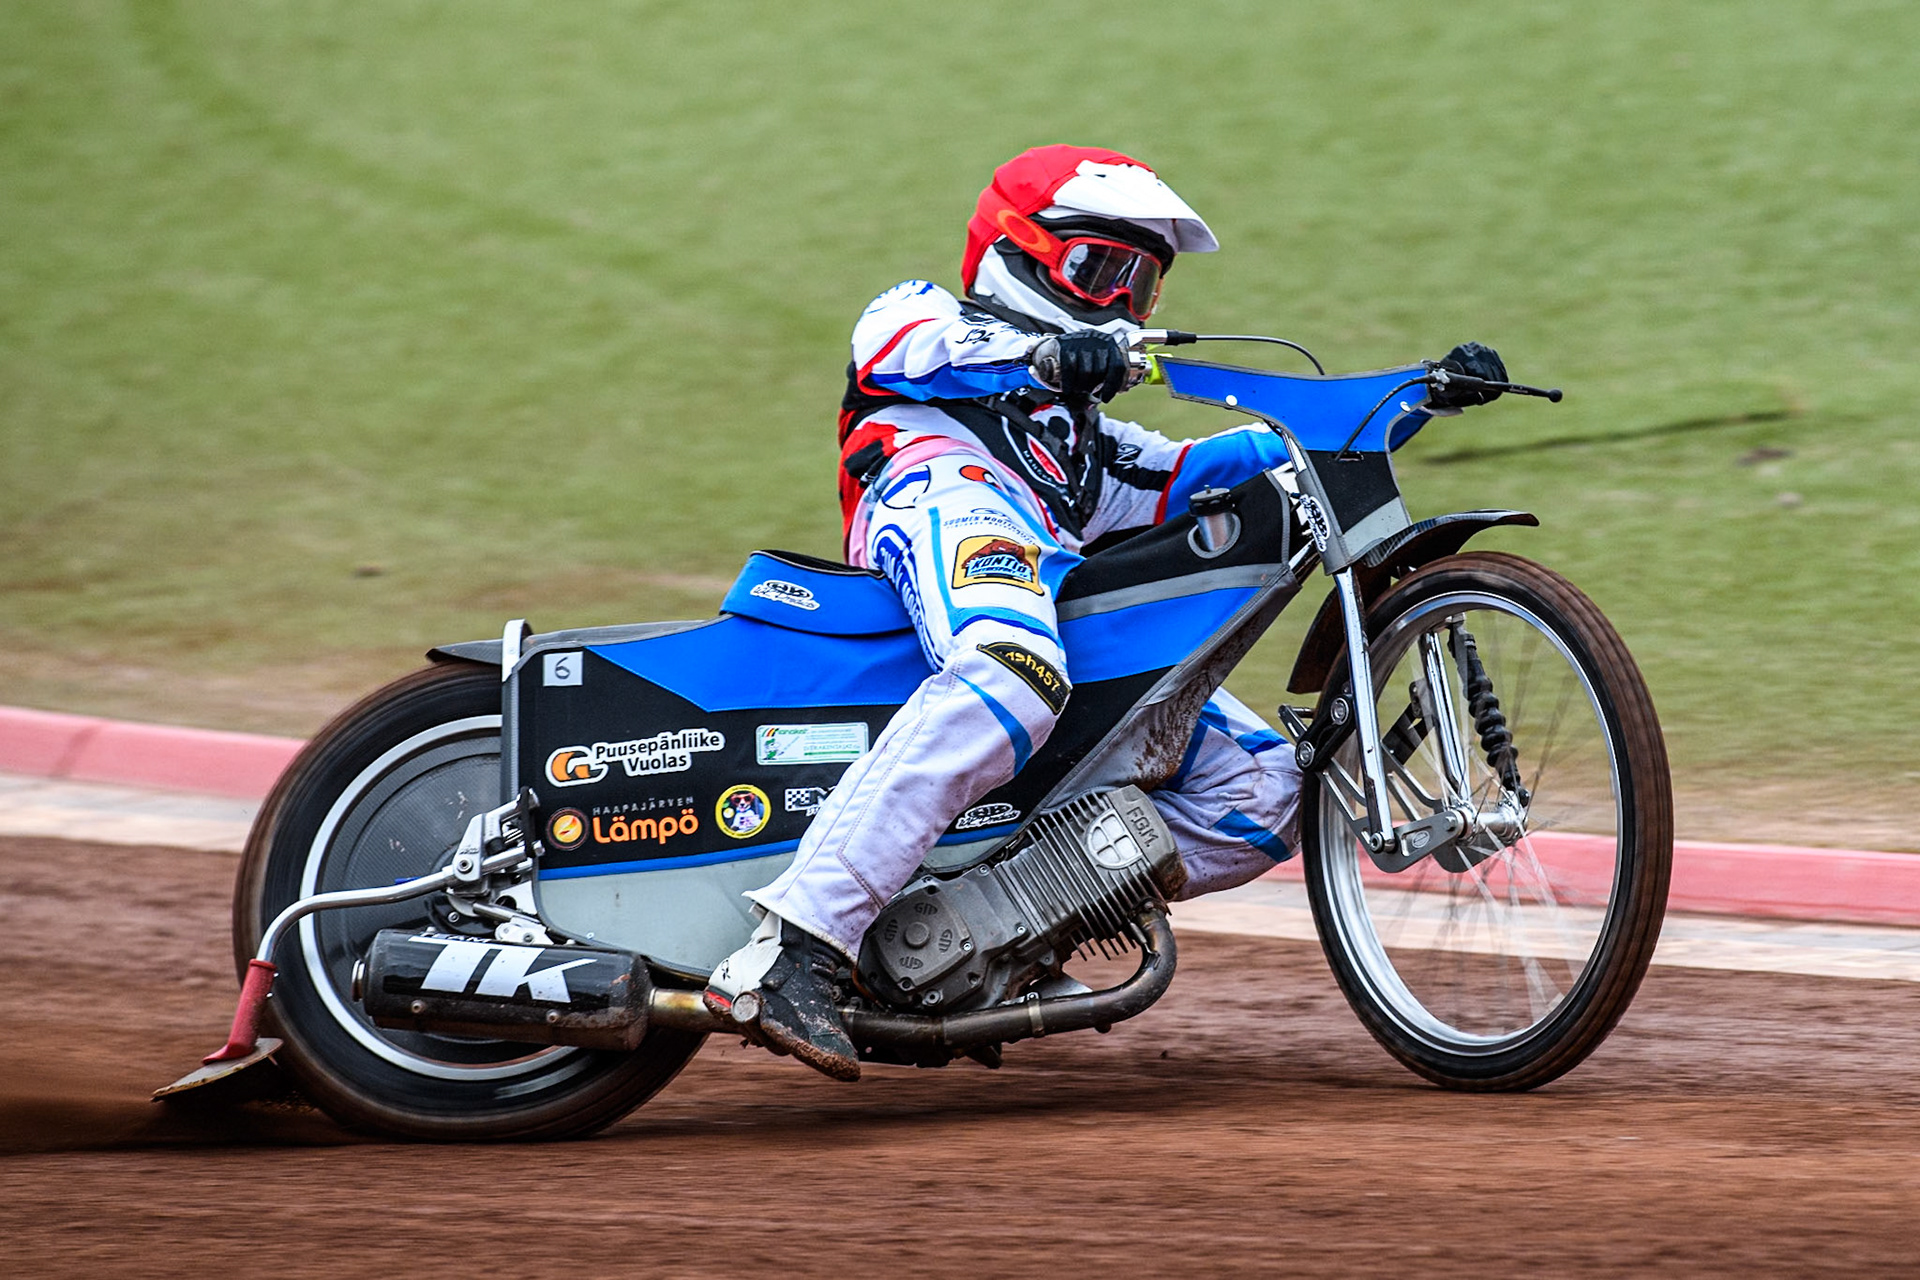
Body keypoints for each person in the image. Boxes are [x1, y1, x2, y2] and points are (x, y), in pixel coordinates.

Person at [705, 144, 1506, 1079]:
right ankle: (792, 944)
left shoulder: (1091, 445)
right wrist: (1044, 352)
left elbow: (1200, 469)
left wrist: (1395, 403)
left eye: (1143, 286)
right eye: (1099, 269)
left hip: (1050, 590)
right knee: (1014, 672)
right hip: (937, 502)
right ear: (1015, 247)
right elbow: (920, 349)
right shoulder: (919, 316)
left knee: (1269, 791)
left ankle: (988, 932)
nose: (1122, 304)